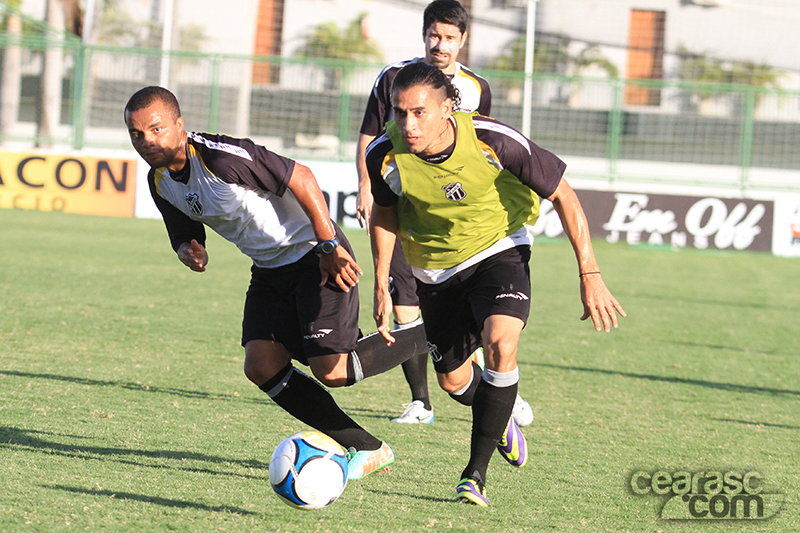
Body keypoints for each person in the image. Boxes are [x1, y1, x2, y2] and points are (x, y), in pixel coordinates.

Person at [124, 86, 429, 481]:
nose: (147, 140)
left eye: (156, 129)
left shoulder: (220, 157)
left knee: (335, 371)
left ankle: (435, 329)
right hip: (268, 270)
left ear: (179, 125)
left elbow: (301, 176)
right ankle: (368, 447)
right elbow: (184, 230)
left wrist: (329, 244)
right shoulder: (159, 181)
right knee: (262, 365)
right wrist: (188, 248)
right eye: (136, 134)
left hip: (314, 256)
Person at [366, 62, 626, 506]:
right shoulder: (385, 154)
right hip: (434, 269)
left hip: (498, 249)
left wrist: (590, 273)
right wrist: (380, 282)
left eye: (420, 113)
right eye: (400, 112)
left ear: (449, 108)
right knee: (452, 381)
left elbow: (563, 193)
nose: (408, 124)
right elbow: (385, 214)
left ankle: (474, 475)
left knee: (501, 344)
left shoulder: (494, 140)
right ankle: (499, 412)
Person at [356, 0, 533, 427]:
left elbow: (478, 147)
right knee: (403, 301)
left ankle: (497, 391)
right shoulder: (393, 79)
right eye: (434, 35)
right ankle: (421, 401)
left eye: (449, 37)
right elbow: (368, 135)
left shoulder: (476, 88)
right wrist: (366, 187)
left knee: (473, 316)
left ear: (463, 40)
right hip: (403, 204)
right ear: (423, 35)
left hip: (457, 221)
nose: (441, 44)